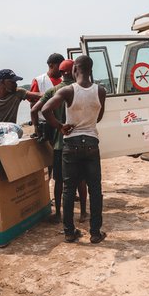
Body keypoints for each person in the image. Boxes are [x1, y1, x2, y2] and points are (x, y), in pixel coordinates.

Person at [42, 55, 107, 244]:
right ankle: (95, 233)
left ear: (74, 70)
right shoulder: (100, 91)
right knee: (95, 189)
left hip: (71, 143)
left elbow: (46, 109)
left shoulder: (69, 91)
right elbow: (99, 116)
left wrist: (60, 126)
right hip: (91, 143)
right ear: (90, 70)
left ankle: (69, 232)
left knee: (68, 189)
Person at [31, 60, 87, 223]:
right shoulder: (82, 90)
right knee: (80, 179)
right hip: (80, 141)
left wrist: (38, 129)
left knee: (59, 181)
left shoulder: (53, 91)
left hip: (59, 143)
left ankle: (58, 214)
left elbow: (35, 110)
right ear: (75, 71)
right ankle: (83, 213)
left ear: (62, 73)